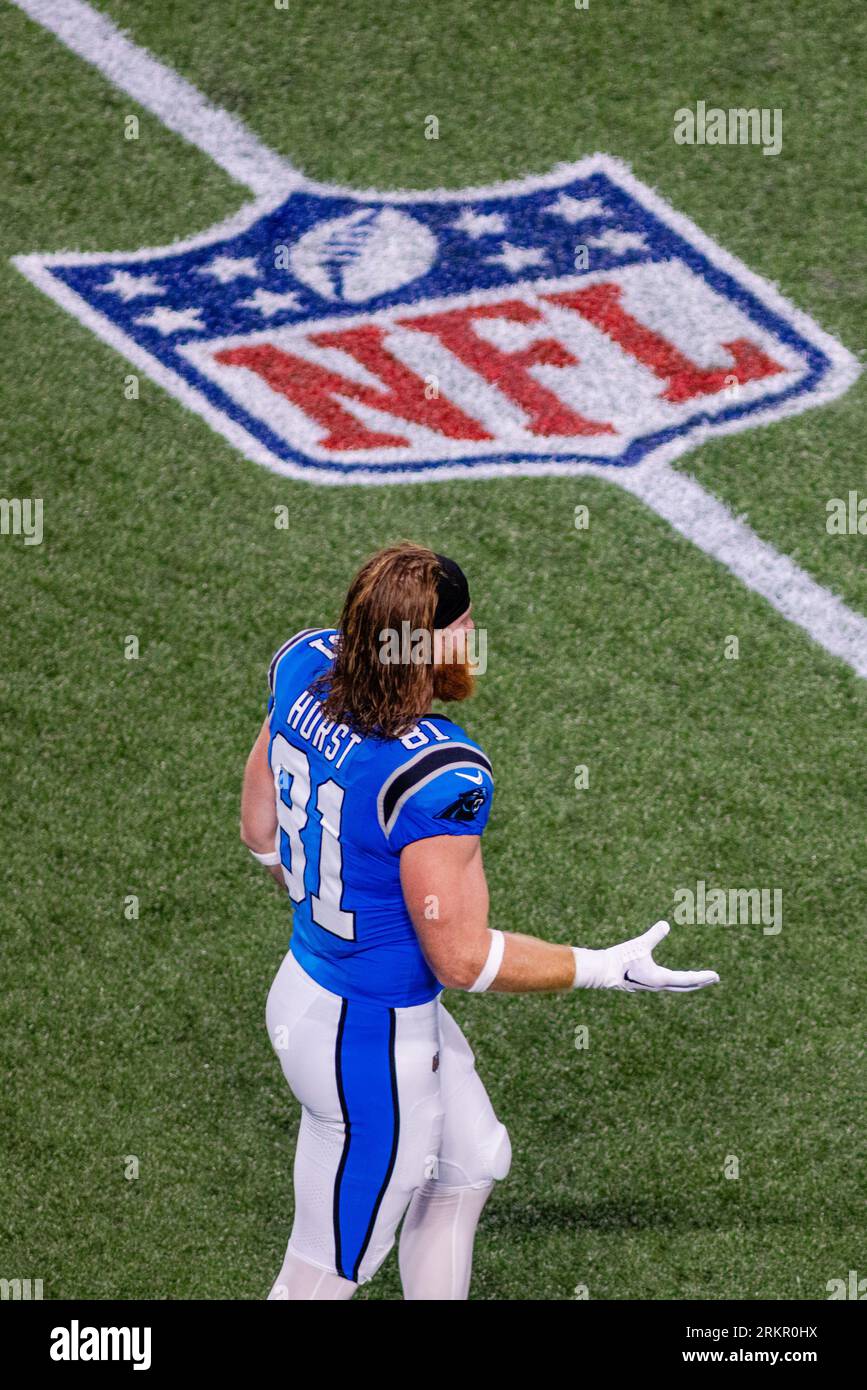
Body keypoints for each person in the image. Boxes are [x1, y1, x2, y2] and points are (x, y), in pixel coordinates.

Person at [240, 541, 719, 1300]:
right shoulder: (437, 774)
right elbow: (461, 960)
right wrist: (602, 967)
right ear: (430, 646)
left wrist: (324, 892)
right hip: (368, 1038)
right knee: (322, 1275)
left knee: (470, 1158)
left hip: (313, 989)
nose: (472, 642)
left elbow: (259, 828)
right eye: (463, 628)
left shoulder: (302, 666)